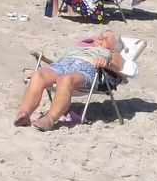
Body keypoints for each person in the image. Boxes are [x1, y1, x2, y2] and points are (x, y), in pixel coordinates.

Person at [13, 30, 142, 132]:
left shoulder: (112, 53)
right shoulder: (82, 48)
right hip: (61, 65)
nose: (100, 38)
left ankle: (49, 119)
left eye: (105, 38)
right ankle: (24, 115)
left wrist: (107, 63)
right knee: (39, 75)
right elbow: (60, 63)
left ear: (114, 47)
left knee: (66, 79)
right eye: (99, 36)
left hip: (86, 69)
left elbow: (119, 69)